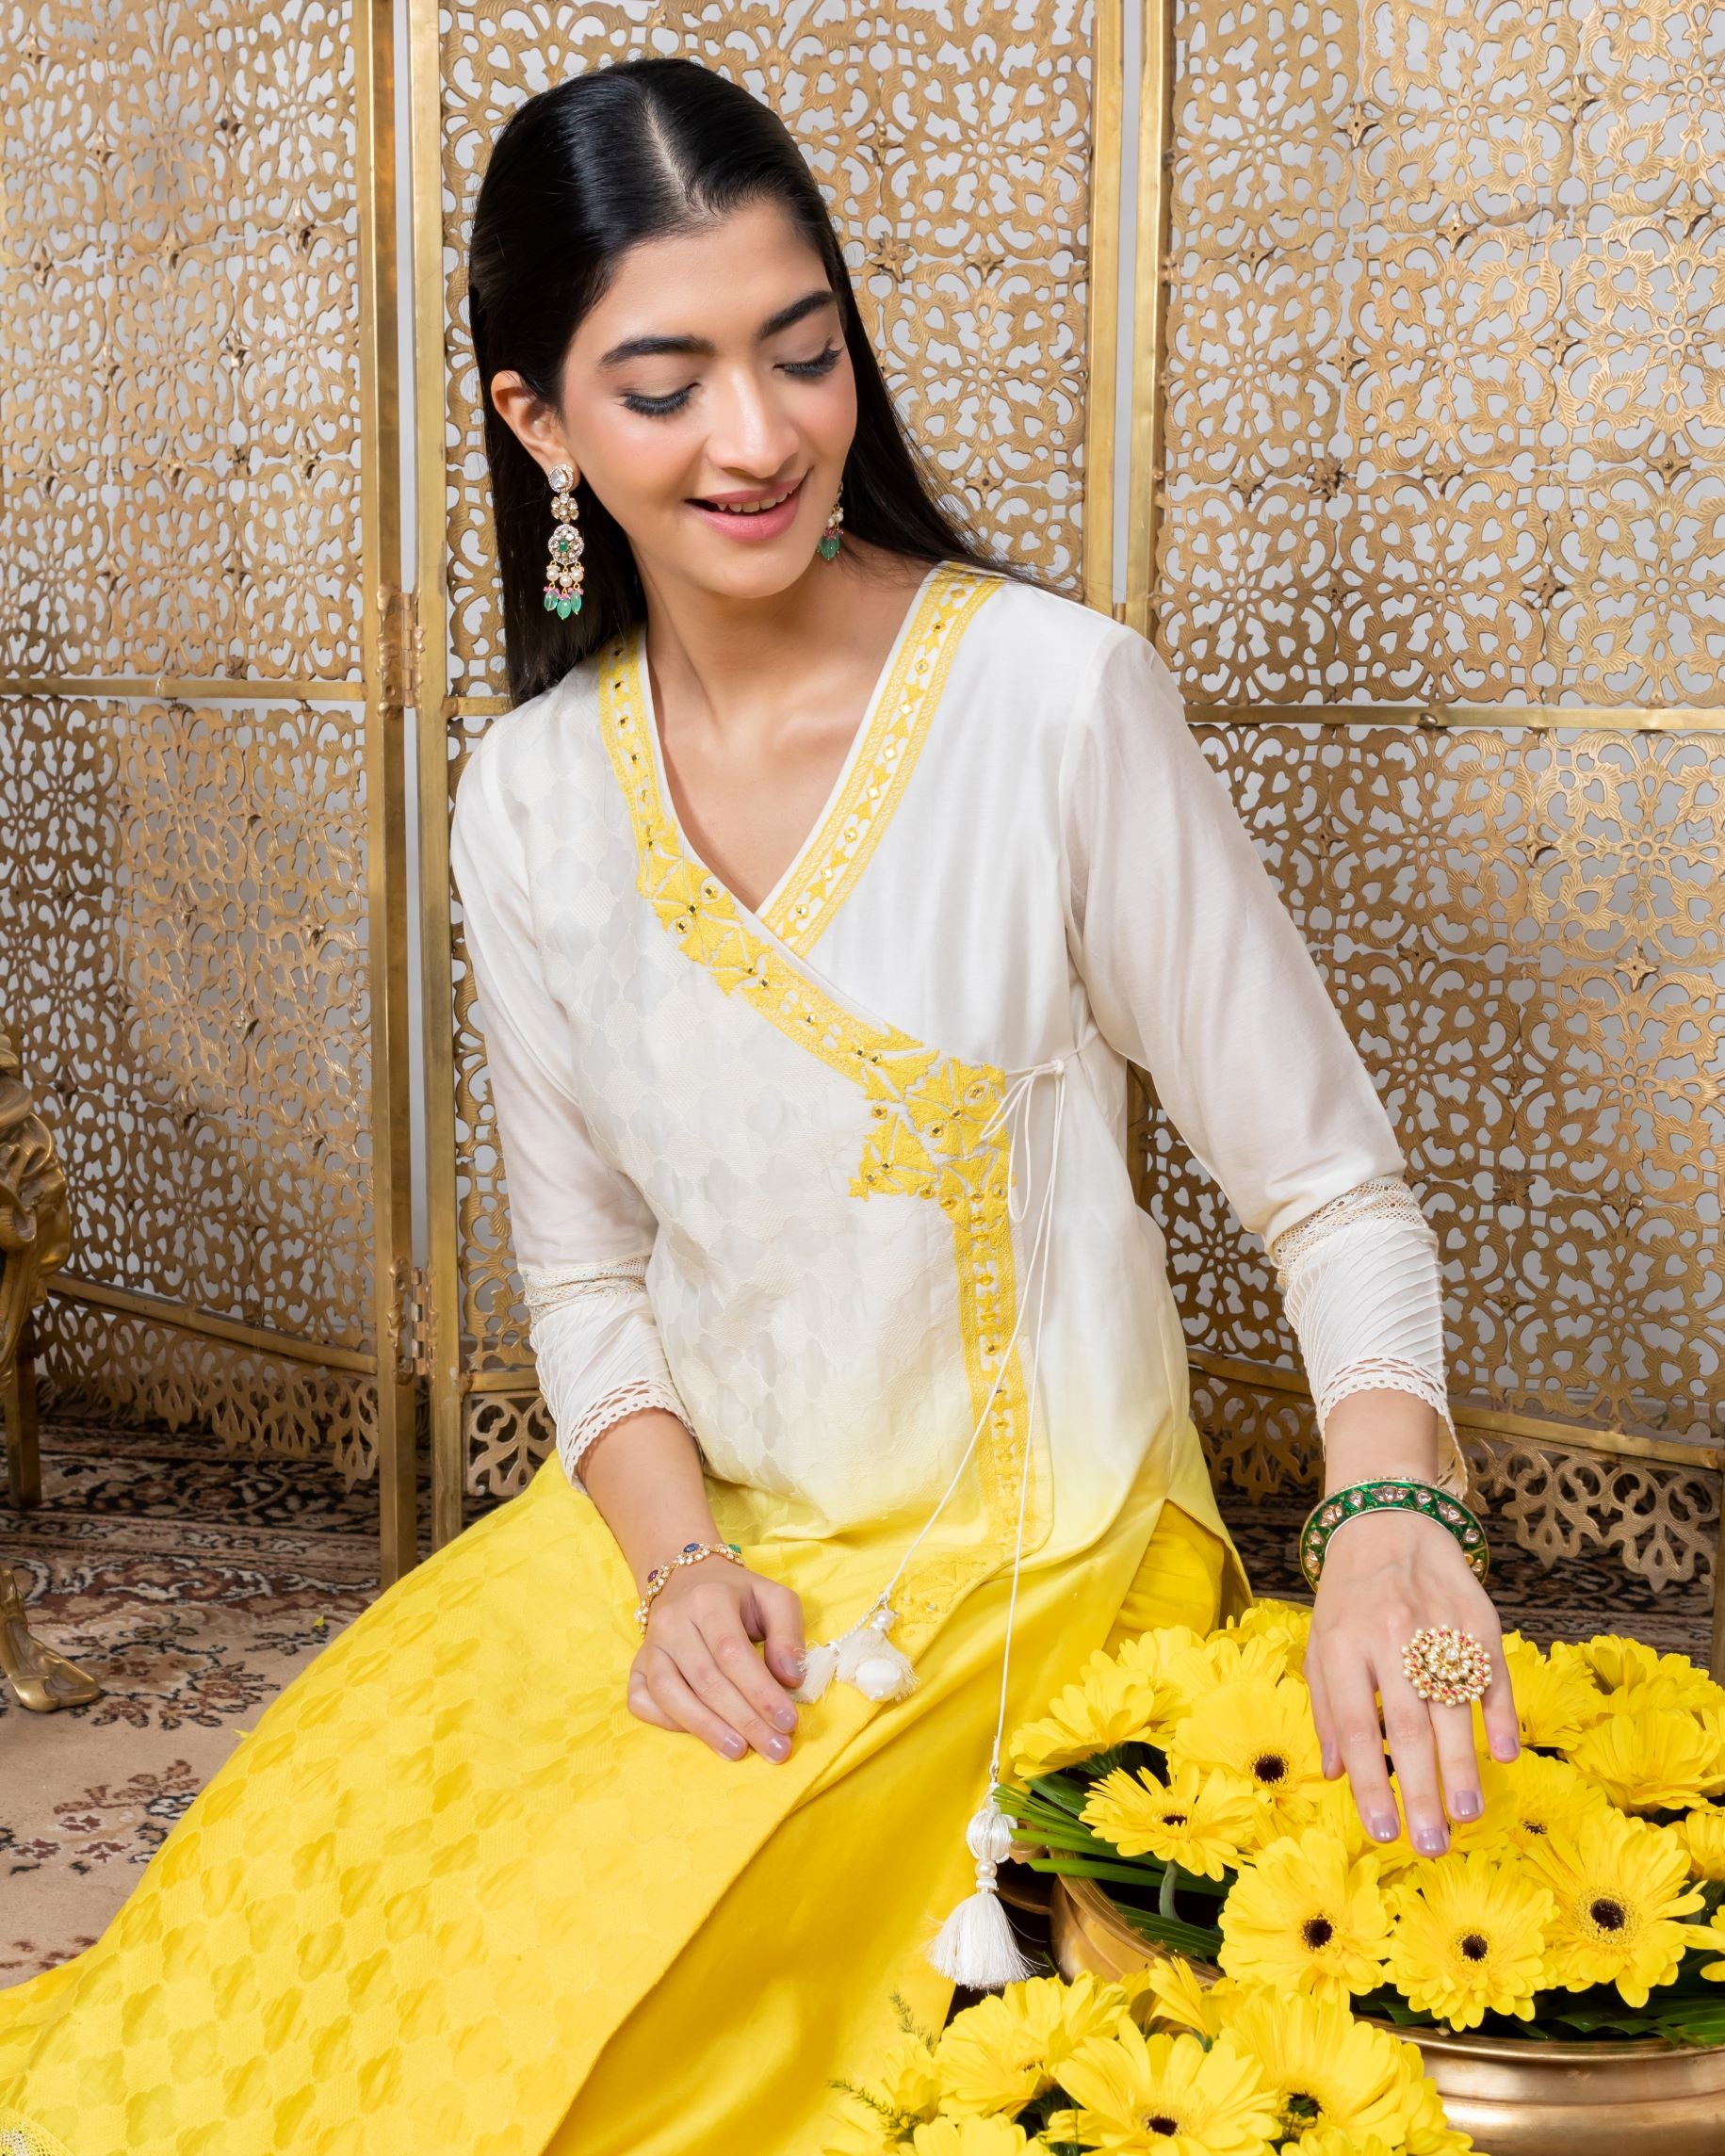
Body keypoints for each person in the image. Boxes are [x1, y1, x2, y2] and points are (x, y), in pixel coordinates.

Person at [0, 56, 1517, 2156]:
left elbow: (1330, 1181)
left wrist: (1385, 1518)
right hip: (686, 1548)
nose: (762, 435)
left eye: (804, 354)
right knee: (297, 1942)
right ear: (538, 420)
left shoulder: (1053, 701)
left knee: (646, 2058)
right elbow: (584, 1281)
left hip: (1032, 1569)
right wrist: (677, 1571)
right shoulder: (530, 799)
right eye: (667, 383)